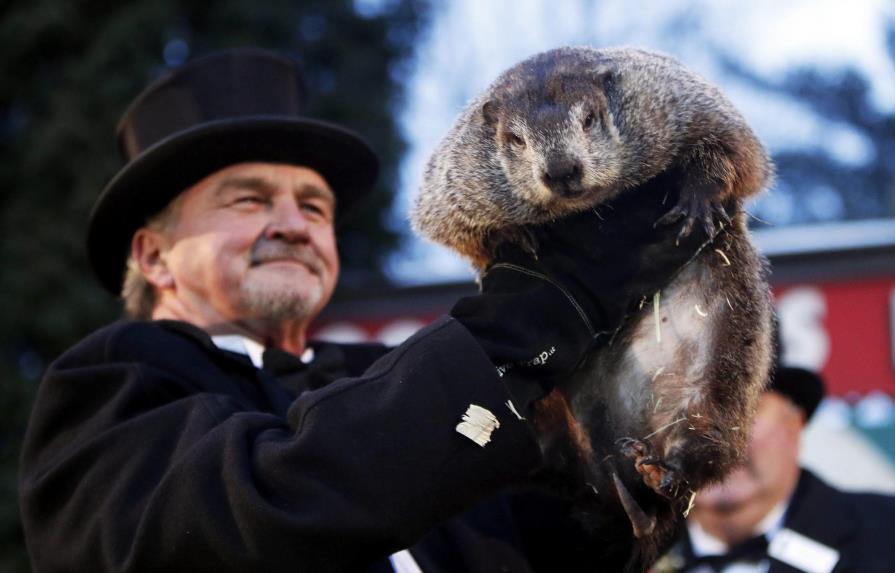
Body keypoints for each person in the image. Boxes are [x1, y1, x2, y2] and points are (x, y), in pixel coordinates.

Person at [19, 48, 709, 573]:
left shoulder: (378, 378)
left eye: (313, 207)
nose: (294, 225)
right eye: (248, 200)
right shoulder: (114, 384)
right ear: (152, 256)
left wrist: (640, 457)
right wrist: (532, 313)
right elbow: (258, 511)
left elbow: (545, 543)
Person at [653, 366, 895, 573]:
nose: (714, 435)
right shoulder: (627, 552)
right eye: (684, 411)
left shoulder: (885, 535)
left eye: (743, 406)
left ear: (794, 423)